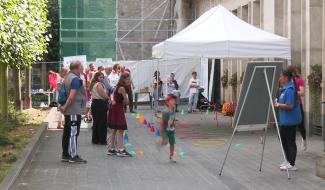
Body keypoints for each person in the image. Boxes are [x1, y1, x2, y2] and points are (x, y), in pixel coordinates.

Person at [59, 61, 87, 163]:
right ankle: (73, 156)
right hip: (73, 110)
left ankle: (65, 155)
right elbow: (71, 97)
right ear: (77, 68)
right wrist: (65, 107)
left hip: (69, 111)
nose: (82, 69)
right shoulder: (75, 79)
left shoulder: (67, 77)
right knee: (73, 133)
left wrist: (63, 107)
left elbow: (62, 92)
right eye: (81, 67)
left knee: (67, 133)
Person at [274, 69, 302, 171]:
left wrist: (278, 105)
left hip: (290, 121)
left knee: (290, 142)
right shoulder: (285, 88)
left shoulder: (290, 89)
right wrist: (277, 101)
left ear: (286, 77)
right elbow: (283, 101)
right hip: (284, 121)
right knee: (283, 141)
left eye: (281, 76)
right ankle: (288, 160)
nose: (280, 78)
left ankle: (292, 164)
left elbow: (290, 105)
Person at [107, 73, 133, 157]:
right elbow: (126, 101)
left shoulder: (118, 87)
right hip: (118, 108)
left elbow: (112, 96)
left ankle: (111, 149)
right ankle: (121, 150)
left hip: (114, 108)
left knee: (114, 129)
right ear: (124, 79)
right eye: (128, 79)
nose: (130, 81)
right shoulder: (122, 88)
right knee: (121, 129)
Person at [288, 65, 307, 151]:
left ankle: (304, 139)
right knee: (290, 125)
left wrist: (294, 92)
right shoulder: (288, 81)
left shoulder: (299, 80)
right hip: (289, 104)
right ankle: (291, 144)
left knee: (301, 125)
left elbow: (302, 92)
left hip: (297, 105)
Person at [90, 72, 109, 145]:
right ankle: (102, 140)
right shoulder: (99, 84)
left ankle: (95, 139)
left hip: (95, 103)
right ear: (96, 77)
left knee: (96, 122)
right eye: (100, 77)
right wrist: (108, 98)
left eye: (102, 77)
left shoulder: (94, 84)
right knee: (102, 123)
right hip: (100, 104)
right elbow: (102, 94)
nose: (101, 78)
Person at [160, 94, 178, 163]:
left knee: (172, 143)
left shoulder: (173, 110)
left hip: (171, 130)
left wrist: (174, 122)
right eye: (172, 100)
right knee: (165, 142)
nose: (174, 102)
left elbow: (172, 118)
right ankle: (162, 142)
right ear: (167, 102)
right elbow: (161, 123)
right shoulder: (165, 112)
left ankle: (171, 156)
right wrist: (162, 134)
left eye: (175, 100)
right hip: (166, 130)